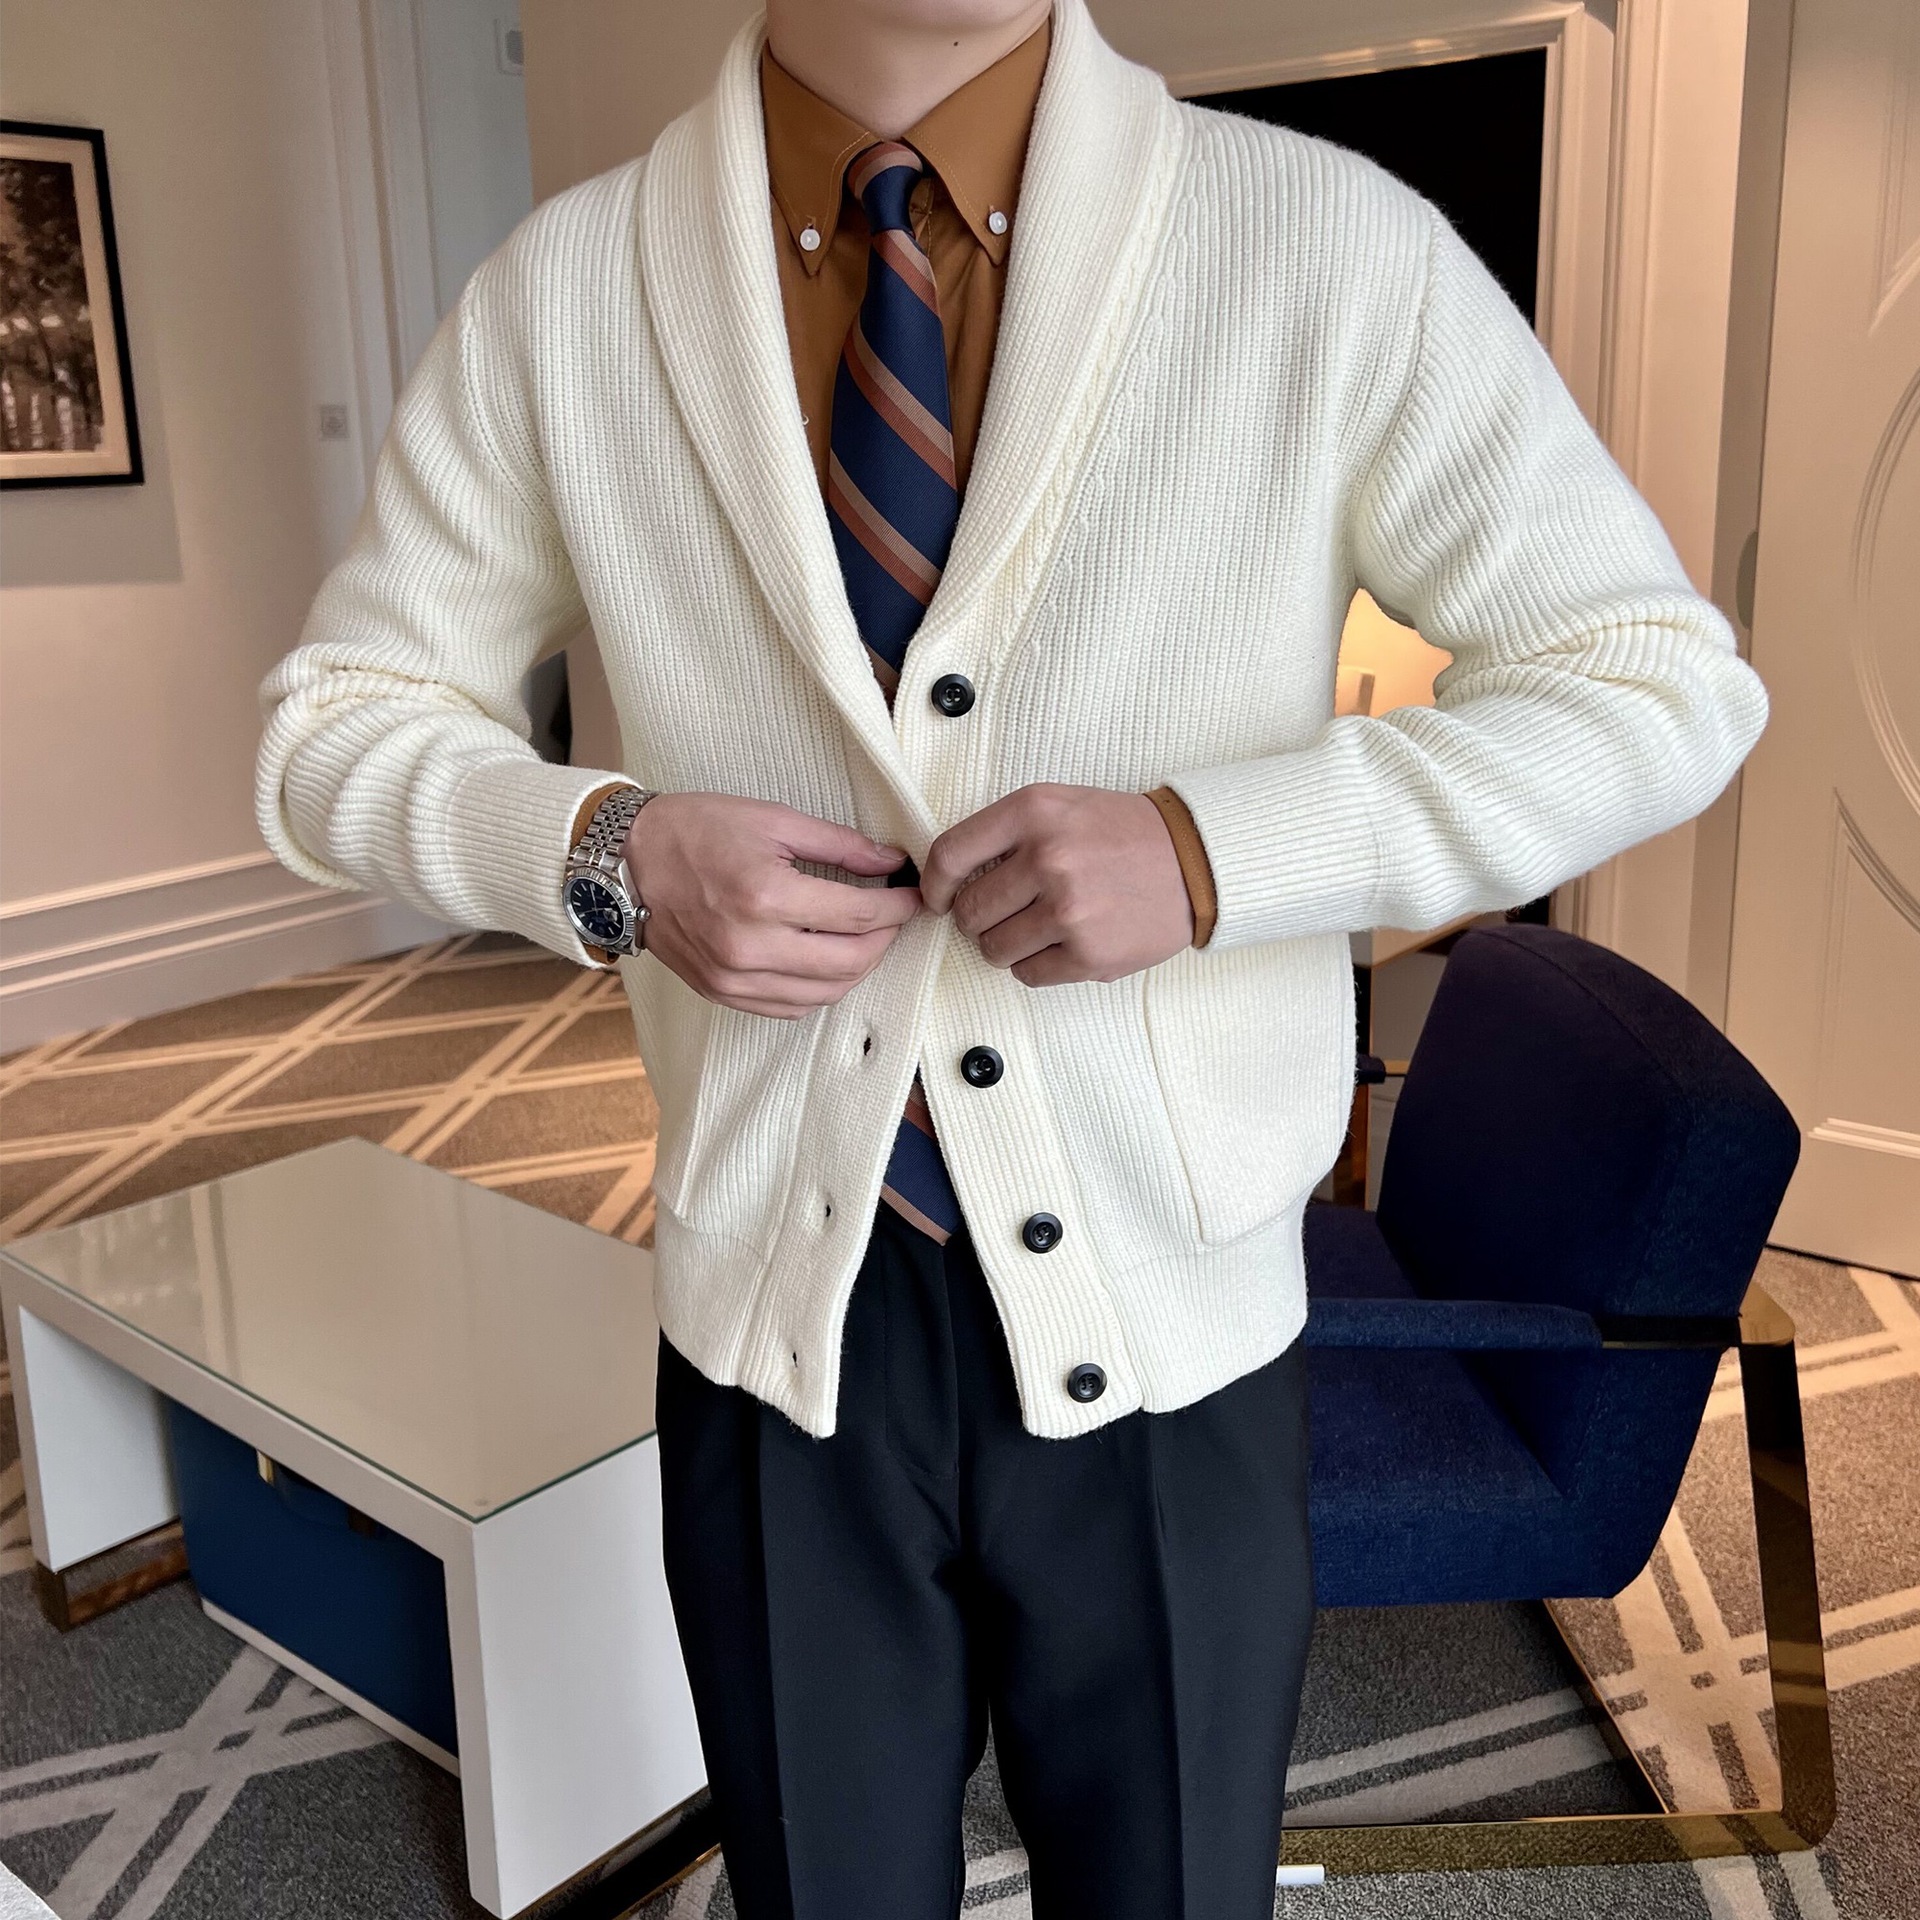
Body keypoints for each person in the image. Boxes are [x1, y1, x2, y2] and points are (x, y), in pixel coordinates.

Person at [256, 1, 1769, 1913]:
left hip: (1178, 1322)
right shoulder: (562, 298)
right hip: (772, 1321)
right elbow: (332, 732)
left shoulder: (1323, 245)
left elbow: (1652, 684)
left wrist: (1219, 854)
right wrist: (605, 848)